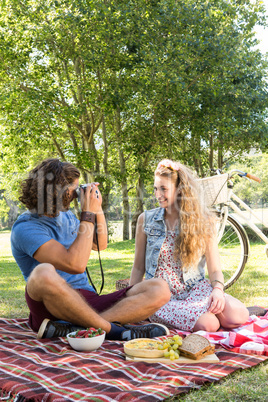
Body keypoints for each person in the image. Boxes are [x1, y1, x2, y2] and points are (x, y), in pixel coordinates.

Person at [11, 159, 171, 340]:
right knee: (43, 272)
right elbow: (76, 264)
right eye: (73, 189)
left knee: (160, 288)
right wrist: (87, 213)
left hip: (85, 299)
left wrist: (97, 208)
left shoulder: (66, 214)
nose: (76, 195)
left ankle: (77, 328)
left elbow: (99, 244)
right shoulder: (25, 227)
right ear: (56, 191)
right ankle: (113, 331)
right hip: (49, 306)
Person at [130, 159, 249, 332]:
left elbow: (215, 269)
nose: (158, 194)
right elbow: (138, 268)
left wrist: (217, 290)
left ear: (180, 190)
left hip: (195, 289)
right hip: (162, 297)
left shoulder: (203, 221)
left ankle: (205, 309)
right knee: (210, 324)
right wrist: (130, 299)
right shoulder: (145, 220)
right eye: (156, 188)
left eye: (164, 189)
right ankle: (201, 315)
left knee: (238, 315)